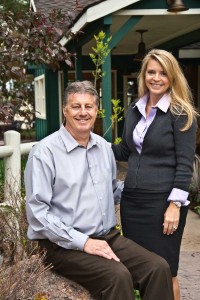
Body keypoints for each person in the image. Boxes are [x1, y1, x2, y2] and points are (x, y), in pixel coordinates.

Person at [25, 80, 174, 300]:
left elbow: (112, 191)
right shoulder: (44, 153)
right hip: (60, 246)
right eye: (76, 106)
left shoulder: (103, 148)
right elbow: (38, 214)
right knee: (118, 276)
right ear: (65, 110)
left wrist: (150, 186)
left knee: (158, 267)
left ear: (96, 111)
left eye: (89, 106)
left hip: (106, 236)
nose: (83, 112)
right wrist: (83, 242)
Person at [112, 49, 197, 300]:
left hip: (162, 204)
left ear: (172, 77)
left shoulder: (180, 113)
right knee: (140, 271)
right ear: (144, 75)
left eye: (163, 73)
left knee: (166, 271)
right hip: (132, 202)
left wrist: (174, 206)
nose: (156, 78)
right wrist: (89, 142)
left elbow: (184, 164)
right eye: (151, 72)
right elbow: (125, 150)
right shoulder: (134, 110)